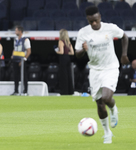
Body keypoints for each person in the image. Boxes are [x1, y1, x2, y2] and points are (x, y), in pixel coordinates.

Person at [75, 6, 129, 144]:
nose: (93, 23)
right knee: (99, 103)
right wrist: (83, 49)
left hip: (110, 67)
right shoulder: (83, 32)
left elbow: (124, 36)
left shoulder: (110, 28)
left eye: (95, 20)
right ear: (87, 19)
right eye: (90, 21)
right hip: (95, 70)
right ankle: (107, 133)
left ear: (99, 16)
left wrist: (123, 54)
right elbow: (77, 54)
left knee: (106, 97)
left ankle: (113, 108)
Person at [11, 26, 31, 96]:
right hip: (15, 59)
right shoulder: (15, 39)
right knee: (15, 76)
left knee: (24, 76)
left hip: (22, 60)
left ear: (20, 31)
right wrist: (12, 55)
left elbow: (28, 51)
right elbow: (15, 48)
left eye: (16, 31)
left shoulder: (25, 40)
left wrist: (24, 59)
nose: (15, 32)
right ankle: (16, 90)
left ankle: (25, 91)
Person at [55, 29, 74, 95]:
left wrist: (57, 51)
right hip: (68, 58)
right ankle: (70, 91)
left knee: (63, 75)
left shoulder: (61, 41)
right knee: (69, 74)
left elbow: (61, 52)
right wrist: (67, 53)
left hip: (63, 58)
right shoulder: (68, 42)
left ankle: (64, 91)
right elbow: (72, 53)